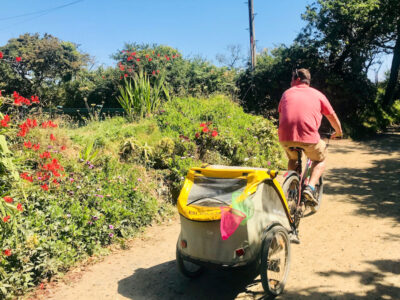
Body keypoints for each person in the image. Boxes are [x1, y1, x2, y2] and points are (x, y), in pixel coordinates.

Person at [278, 68, 342, 204]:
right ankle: (311, 187)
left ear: (298, 79)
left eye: (291, 79)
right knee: (320, 159)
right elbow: (331, 116)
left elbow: (281, 115)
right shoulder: (318, 95)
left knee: (293, 158)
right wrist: (339, 132)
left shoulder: (286, 94)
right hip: (308, 138)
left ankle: (293, 187)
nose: (290, 82)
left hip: (285, 138)